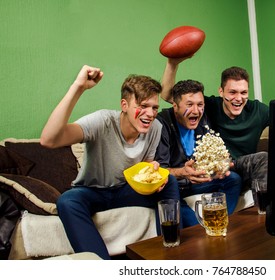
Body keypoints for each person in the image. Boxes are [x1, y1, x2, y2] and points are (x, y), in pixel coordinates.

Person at [40, 65, 180, 259]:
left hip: (127, 189)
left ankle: (170, 253)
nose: (150, 113)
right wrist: (78, 87)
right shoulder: (102, 121)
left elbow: (145, 166)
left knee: (169, 181)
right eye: (142, 106)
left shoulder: (155, 127)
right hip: (93, 191)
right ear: (124, 105)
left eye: (154, 107)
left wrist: (153, 173)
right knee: (67, 200)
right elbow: (49, 140)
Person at [160, 58, 269, 199]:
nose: (238, 98)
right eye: (233, 92)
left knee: (264, 158)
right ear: (221, 92)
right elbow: (168, 95)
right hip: (216, 165)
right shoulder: (208, 106)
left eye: (243, 93)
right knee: (232, 178)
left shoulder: (258, 110)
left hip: (239, 164)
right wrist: (172, 63)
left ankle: (264, 208)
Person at [154, 79, 242, 227]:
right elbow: (160, 172)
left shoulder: (203, 120)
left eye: (200, 105)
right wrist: (183, 172)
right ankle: (206, 224)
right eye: (189, 105)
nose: (196, 111)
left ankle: (221, 222)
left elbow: (213, 154)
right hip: (176, 187)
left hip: (197, 182)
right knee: (197, 226)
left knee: (233, 179)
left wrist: (220, 165)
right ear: (175, 106)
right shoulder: (161, 124)